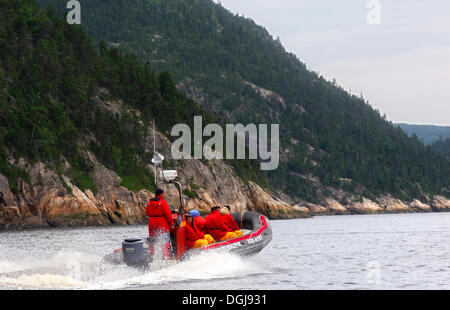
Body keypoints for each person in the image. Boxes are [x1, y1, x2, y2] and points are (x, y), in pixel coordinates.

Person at [146, 188, 174, 259]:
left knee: (152, 239)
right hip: (161, 222)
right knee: (164, 240)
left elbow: (147, 213)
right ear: (161, 194)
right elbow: (168, 214)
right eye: (163, 194)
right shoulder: (163, 202)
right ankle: (165, 257)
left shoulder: (149, 202)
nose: (164, 195)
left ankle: (151, 256)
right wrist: (171, 224)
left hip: (151, 222)